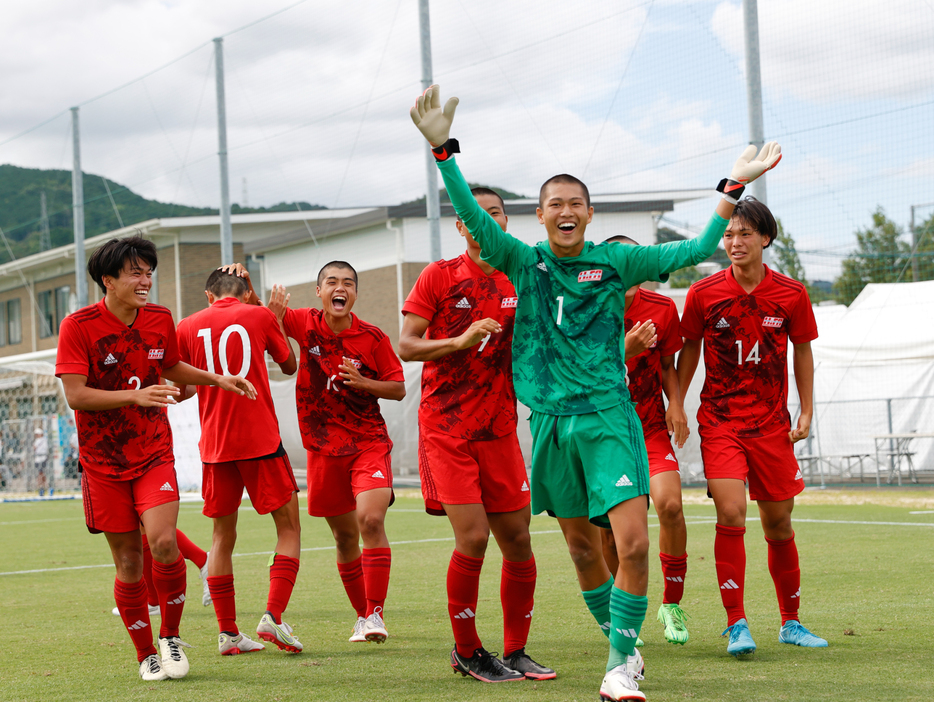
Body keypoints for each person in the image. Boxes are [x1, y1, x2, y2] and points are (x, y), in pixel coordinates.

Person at [410, 84, 781, 701]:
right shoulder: (521, 262)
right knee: (584, 550)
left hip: (610, 418)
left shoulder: (614, 263)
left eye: (575, 203)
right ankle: (625, 641)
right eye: (554, 202)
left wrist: (732, 187)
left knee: (633, 541)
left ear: (588, 213)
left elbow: (693, 249)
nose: (564, 210)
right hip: (551, 424)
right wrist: (444, 153)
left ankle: (618, 667)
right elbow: (475, 219)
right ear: (541, 216)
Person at [55, 235, 256, 682]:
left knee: (163, 543)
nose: (145, 281)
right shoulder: (78, 326)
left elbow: (171, 367)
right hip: (102, 463)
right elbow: (76, 395)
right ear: (108, 280)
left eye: (149, 272)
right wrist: (136, 395)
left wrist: (217, 379)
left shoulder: (161, 318)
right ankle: (146, 653)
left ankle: (170, 635)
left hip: (153, 452)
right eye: (135, 273)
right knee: (129, 562)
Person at [399, 188, 555, 683]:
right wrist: (459, 340)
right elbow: (406, 345)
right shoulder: (438, 276)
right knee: (473, 537)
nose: (486, 221)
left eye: (495, 213)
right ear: (462, 225)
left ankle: (516, 651)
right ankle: (466, 651)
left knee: (519, 541)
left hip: (499, 428)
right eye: (476, 215)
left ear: (505, 223)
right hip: (447, 428)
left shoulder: (520, 277)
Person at [677, 197, 828, 656]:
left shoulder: (792, 293)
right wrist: (677, 404)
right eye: (728, 235)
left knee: (779, 523)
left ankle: (791, 622)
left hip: (771, 425)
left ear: (765, 238)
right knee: (731, 513)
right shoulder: (703, 293)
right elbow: (689, 351)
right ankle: (736, 622)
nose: (734, 242)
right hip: (721, 422)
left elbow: (802, 351)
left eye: (744, 234)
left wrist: (806, 409)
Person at [269, 261, 405, 644]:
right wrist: (245, 282)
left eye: (347, 283)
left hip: (368, 443)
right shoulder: (303, 323)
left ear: (355, 294)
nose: (339, 287)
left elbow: (398, 388)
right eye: (331, 281)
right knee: (345, 539)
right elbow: (246, 300)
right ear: (319, 292)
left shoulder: (372, 338)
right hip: (324, 450)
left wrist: (365, 382)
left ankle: (375, 613)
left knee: (371, 521)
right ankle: (363, 617)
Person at [176, 266, 303, 655]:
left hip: (215, 447)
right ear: (246, 294)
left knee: (221, 538)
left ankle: (228, 634)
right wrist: (274, 318)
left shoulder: (186, 326)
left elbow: (181, 391)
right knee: (289, 529)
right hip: (260, 441)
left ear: (208, 295)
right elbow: (290, 366)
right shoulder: (259, 314)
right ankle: (273, 616)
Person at [599, 236, 691, 647]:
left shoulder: (662, 308)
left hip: (649, 428)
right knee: (609, 529)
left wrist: (677, 404)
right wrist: (623, 348)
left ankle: (671, 604)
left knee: (670, 504)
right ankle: (623, 617)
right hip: (601, 432)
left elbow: (668, 363)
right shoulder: (586, 307)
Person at [34, 427, 49, 496]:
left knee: (40, 473)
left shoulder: (38, 440)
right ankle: (44, 486)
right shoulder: (45, 440)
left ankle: (41, 487)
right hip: (43, 458)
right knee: (42, 473)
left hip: (39, 459)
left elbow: (34, 448)